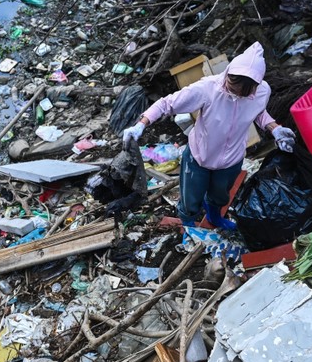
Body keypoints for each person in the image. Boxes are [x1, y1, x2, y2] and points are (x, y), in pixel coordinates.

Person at [122, 41, 295, 230]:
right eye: (231, 87)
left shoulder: (262, 91)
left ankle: (215, 218)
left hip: (231, 160)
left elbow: (258, 111)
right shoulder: (207, 89)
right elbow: (167, 104)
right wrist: (141, 124)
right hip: (199, 157)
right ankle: (188, 224)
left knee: (220, 195)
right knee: (191, 199)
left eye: (242, 93)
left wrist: (274, 128)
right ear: (228, 73)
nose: (234, 93)